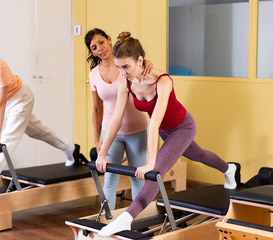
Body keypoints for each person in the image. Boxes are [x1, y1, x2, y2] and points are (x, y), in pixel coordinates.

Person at [95, 32, 239, 236]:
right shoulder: (126, 82)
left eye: (126, 66)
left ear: (140, 60)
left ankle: (127, 218)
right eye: (118, 67)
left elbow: (153, 124)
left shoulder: (163, 81)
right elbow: (116, 120)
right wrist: (102, 153)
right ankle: (229, 168)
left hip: (183, 127)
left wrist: (150, 162)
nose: (122, 72)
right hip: (165, 130)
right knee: (197, 154)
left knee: (156, 173)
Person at [0, 27, 75, 193]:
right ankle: (68, 147)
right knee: (36, 131)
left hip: (20, 98)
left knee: (7, 138)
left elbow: (0, 103)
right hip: (9, 103)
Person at [85, 28, 150, 210]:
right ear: (92, 52)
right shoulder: (94, 74)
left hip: (136, 130)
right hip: (110, 132)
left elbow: (140, 63)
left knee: (138, 179)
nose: (100, 48)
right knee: (110, 181)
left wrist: (147, 63)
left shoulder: (125, 65)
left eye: (101, 42)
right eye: (94, 47)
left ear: (109, 40)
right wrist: (97, 140)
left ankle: (139, 224)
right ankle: (107, 225)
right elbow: (97, 108)